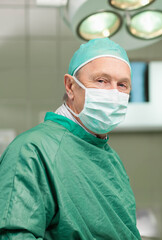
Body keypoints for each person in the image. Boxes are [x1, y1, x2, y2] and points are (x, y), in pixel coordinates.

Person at [0, 38, 141, 239]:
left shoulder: (110, 158)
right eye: (101, 81)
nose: (113, 93)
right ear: (70, 86)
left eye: (122, 85)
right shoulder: (32, 151)